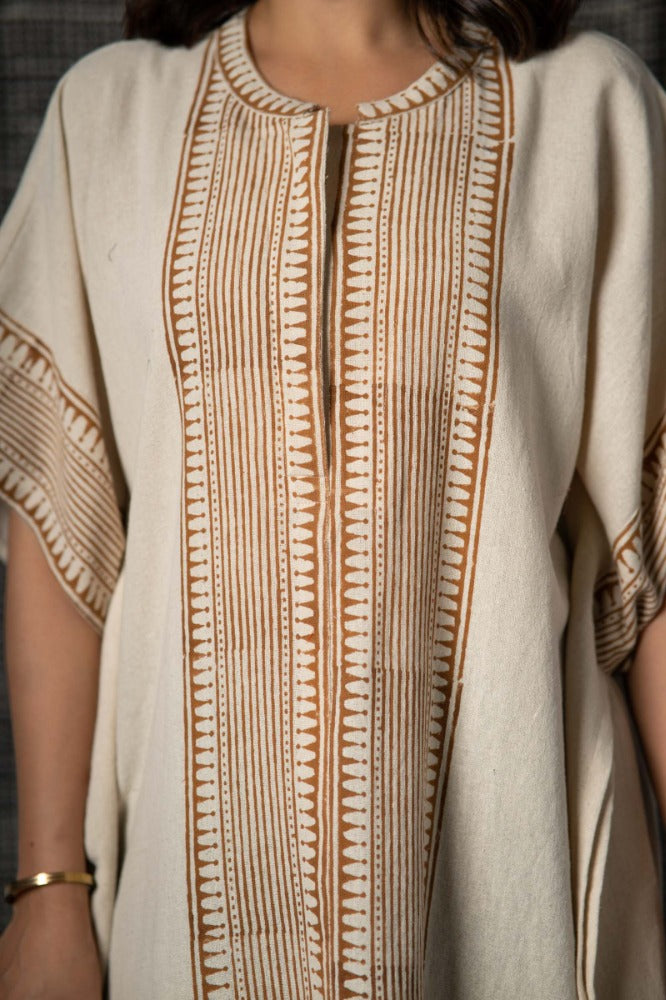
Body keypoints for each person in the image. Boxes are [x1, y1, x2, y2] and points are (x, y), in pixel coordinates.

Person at [0, 0, 666, 995]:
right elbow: (64, 532)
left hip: (510, 882)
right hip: (178, 904)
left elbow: (651, 547)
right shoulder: (108, 118)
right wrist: (48, 888)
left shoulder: (589, 107)